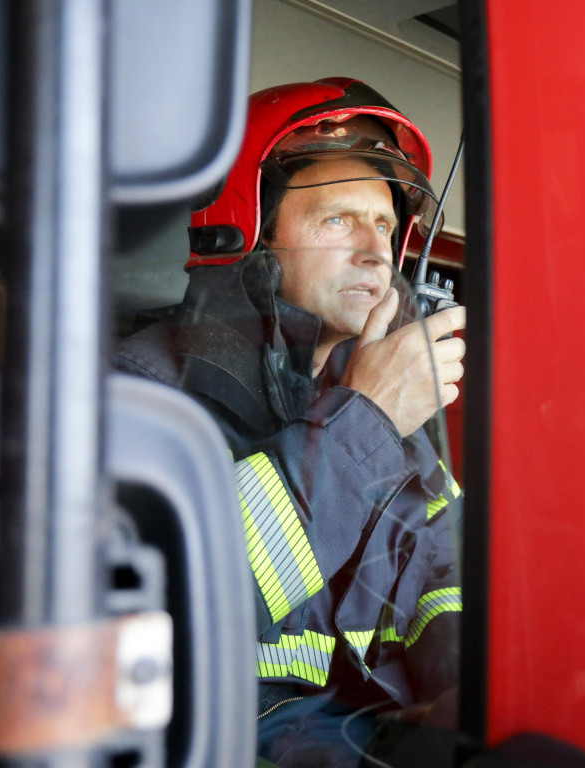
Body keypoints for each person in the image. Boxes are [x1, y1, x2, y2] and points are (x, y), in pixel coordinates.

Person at [113, 78, 465, 767]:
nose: (375, 251)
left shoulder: (386, 401)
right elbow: (163, 615)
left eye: (386, 225)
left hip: (363, 732)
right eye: (338, 220)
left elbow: (445, 570)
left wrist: (464, 689)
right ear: (250, 233)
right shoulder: (141, 395)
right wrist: (367, 422)